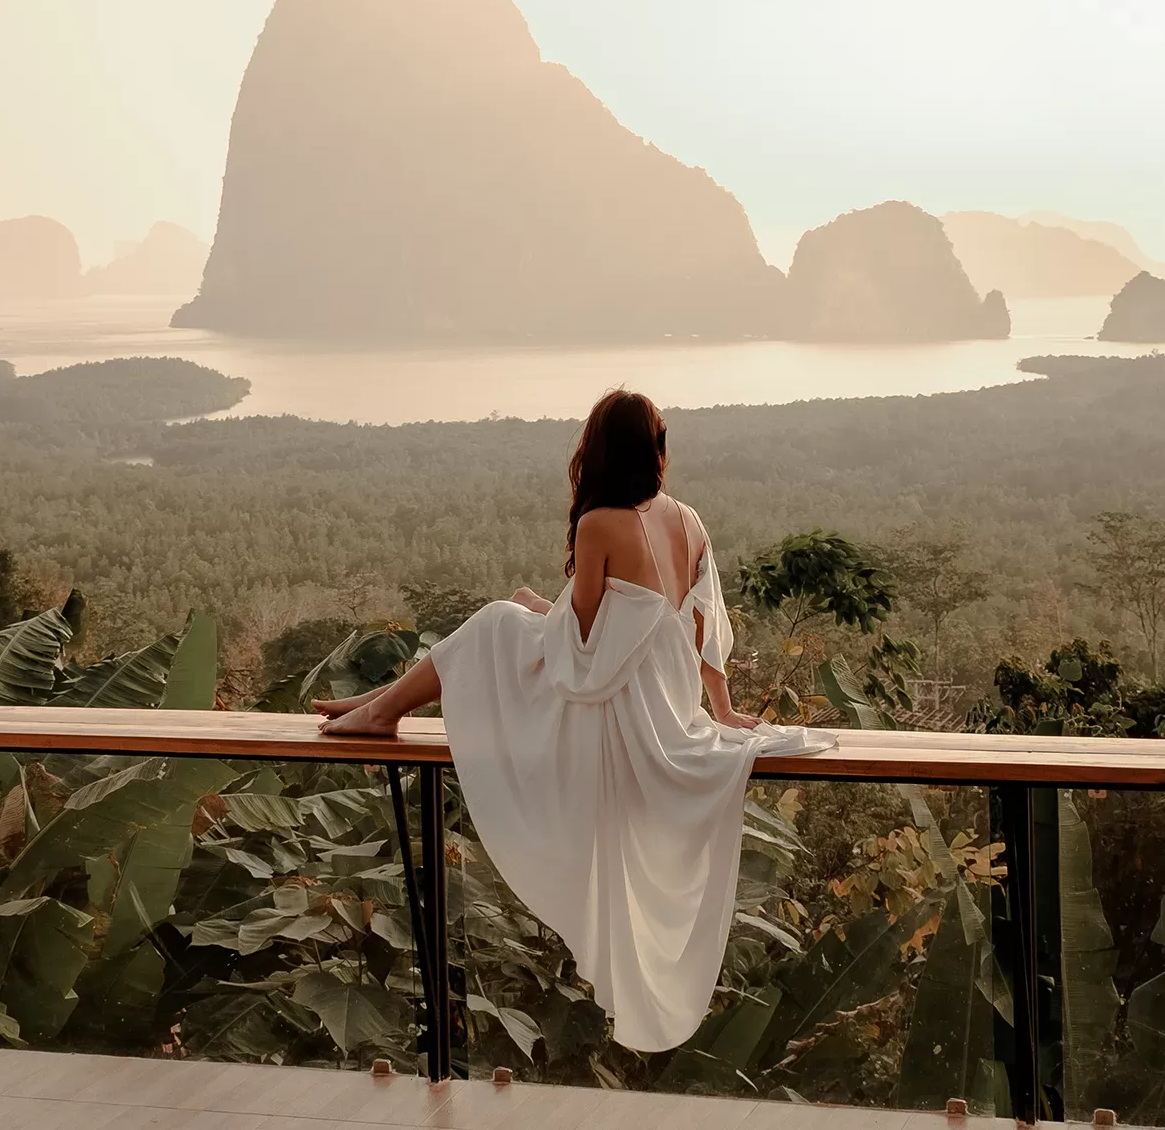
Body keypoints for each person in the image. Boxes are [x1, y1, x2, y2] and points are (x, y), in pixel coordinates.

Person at [314, 389, 834, 1052]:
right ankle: (375, 706)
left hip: (617, 706)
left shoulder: (599, 526)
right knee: (503, 619)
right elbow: (706, 630)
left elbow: (581, 639)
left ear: (598, 451)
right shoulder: (690, 520)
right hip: (667, 701)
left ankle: (378, 709)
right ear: (656, 450)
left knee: (497, 619)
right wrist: (723, 710)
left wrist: (534, 607)